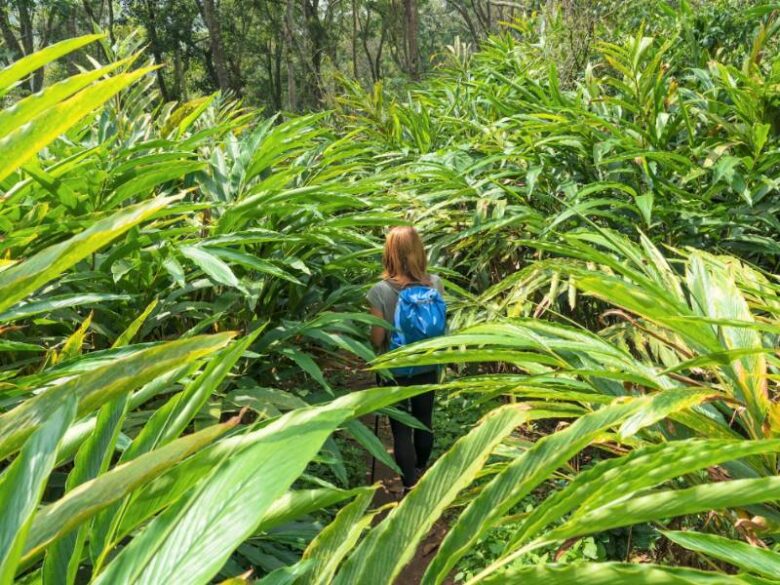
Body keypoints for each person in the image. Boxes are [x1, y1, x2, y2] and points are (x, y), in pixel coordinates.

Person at [366, 226, 445, 493]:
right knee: (424, 420)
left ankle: (410, 484)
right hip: (427, 363)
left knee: (401, 429)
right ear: (419, 250)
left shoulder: (380, 290)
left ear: (389, 252)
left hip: (395, 368)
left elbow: (377, 338)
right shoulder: (434, 283)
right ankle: (421, 468)